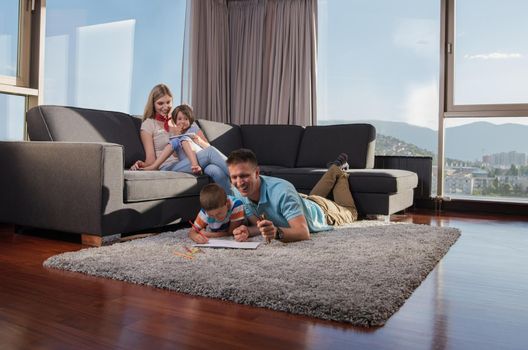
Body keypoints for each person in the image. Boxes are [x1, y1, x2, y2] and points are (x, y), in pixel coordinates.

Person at [227, 148, 358, 243]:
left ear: (256, 173)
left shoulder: (282, 192)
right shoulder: (238, 191)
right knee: (312, 197)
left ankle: (339, 171)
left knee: (351, 212)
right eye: (234, 177)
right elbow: (261, 227)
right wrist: (249, 231)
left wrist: (277, 233)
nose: (239, 182)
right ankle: (333, 168)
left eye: (244, 176)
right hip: (302, 201)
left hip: (323, 211)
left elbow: (303, 232)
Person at [130, 84, 232, 194]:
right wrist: (142, 165)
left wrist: (198, 139)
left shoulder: (181, 119)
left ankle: (239, 206)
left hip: (192, 158)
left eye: (168, 102)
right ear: (153, 104)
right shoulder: (148, 125)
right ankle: (244, 174)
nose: (165, 107)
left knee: (216, 171)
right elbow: (151, 159)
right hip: (169, 165)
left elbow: (206, 146)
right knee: (211, 153)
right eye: (160, 103)